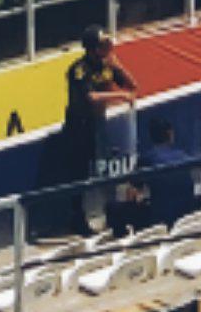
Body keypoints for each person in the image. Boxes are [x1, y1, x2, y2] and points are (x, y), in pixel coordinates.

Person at [49, 30, 137, 233]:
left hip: (101, 126)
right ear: (92, 49)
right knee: (78, 175)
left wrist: (118, 67)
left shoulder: (108, 66)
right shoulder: (78, 70)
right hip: (79, 128)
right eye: (102, 45)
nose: (107, 48)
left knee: (105, 169)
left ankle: (112, 216)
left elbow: (132, 86)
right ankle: (78, 219)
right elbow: (91, 97)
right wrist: (120, 95)